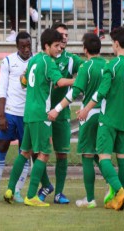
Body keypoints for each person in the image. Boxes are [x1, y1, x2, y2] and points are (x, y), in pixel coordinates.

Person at [3, 28, 75, 206]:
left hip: (28, 113)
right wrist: (78, 81)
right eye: (56, 46)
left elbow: (23, 81)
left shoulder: (33, 60)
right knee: (43, 154)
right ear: (46, 46)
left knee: (25, 152)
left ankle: (10, 189)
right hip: (41, 113)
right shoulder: (48, 61)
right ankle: (31, 196)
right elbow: (59, 82)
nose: (59, 49)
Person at [77, 27, 124, 211]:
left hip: (107, 120)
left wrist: (86, 110)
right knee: (123, 159)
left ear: (116, 44)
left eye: (112, 44)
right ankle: (117, 199)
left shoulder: (112, 65)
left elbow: (101, 92)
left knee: (103, 156)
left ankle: (120, 192)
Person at [48, 33, 107, 208]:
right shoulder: (108, 65)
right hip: (105, 116)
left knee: (88, 155)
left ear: (85, 49)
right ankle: (113, 186)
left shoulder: (86, 67)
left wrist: (57, 109)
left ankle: (90, 199)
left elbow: (73, 93)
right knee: (102, 154)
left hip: (88, 115)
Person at [37, 22, 84, 204]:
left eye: (66, 35)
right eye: (60, 35)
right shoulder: (42, 59)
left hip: (61, 114)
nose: (64, 38)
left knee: (62, 154)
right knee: (40, 153)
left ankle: (59, 193)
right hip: (43, 113)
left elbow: (87, 70)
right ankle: (46, 185)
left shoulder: (71, 59)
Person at [0, 31, 33, 203]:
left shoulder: (36, 62)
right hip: (11, 113)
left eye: (29, 45)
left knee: (25, 152)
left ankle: (18, 191)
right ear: (17, 46)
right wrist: (2, 116)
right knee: (2, 147)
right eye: (23, 46)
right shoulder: (7, 61)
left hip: (28, 116)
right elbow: (2, 89)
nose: (26, 49)